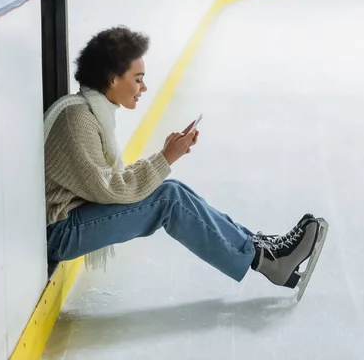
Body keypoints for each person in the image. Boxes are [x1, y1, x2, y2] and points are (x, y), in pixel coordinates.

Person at [43, 26, 328, 300]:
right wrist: (166, 158)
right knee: (170, 198)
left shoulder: (87, 111)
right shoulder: (78, 120)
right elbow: (109, 190)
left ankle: (259, 246)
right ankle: (267, 262)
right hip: (60, 232)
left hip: (74, 219)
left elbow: (104, 183)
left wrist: (163, 156)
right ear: (113, 79)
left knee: (171, 188)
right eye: (138, 78)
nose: (144, 87)